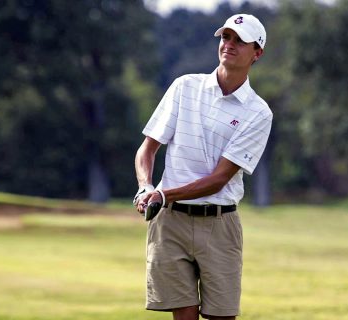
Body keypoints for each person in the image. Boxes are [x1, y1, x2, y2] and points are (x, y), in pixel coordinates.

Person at [133, 13, 272, 320]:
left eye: (240, 41)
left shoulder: (258, 112)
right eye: (226, 37)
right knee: (183, 315)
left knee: (222, 317)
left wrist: (163, 195)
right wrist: (146, 187)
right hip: (170, 223)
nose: (229, 45)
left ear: (257, 53)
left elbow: (219, 179)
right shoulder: (185, 87)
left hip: (219, 224)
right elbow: (148, 148)